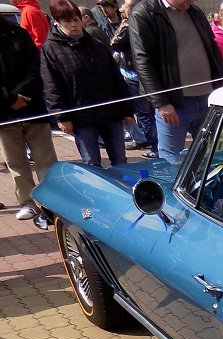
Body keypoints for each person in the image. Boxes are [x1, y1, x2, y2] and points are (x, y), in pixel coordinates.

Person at [129, 0, 223, 163]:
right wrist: (161, 102)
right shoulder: (145, 13)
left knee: (213, 156)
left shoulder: (195, 11)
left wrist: (221, 81)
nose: (191, 1)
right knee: (171, 160)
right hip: (174, 104)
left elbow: (211, 45)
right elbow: (142, 60)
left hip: (207, 98)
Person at [41, 0, 135, 168]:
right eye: (68, 22)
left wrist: (127, 108)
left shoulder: (95, 43)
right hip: (81, 116)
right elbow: (51, 86)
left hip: (110, 111)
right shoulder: (50, 49)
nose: (74, 25)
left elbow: (116, 77)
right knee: (92, 163)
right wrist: (62, 116)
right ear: (58, 22)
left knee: (120, 160)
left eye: (76, 20)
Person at [0, 17, 58, 220]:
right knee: (16, 162)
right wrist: (9, 99)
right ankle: (27, 201)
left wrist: (21, 94)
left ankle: (52, 201)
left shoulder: (18, 33)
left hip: (32, 106)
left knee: (46, 159)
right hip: (4, 114)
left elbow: (36, 67)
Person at [110, 0, 158, 159]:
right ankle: (155, 144)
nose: (122, 8)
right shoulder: (151, 20)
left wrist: (125, 22)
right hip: (145, 72)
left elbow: (115, 43)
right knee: (151, 111)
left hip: (135, 74)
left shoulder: (132, 24)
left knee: (144, 113)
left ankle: (156, 147)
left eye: (126, 5)